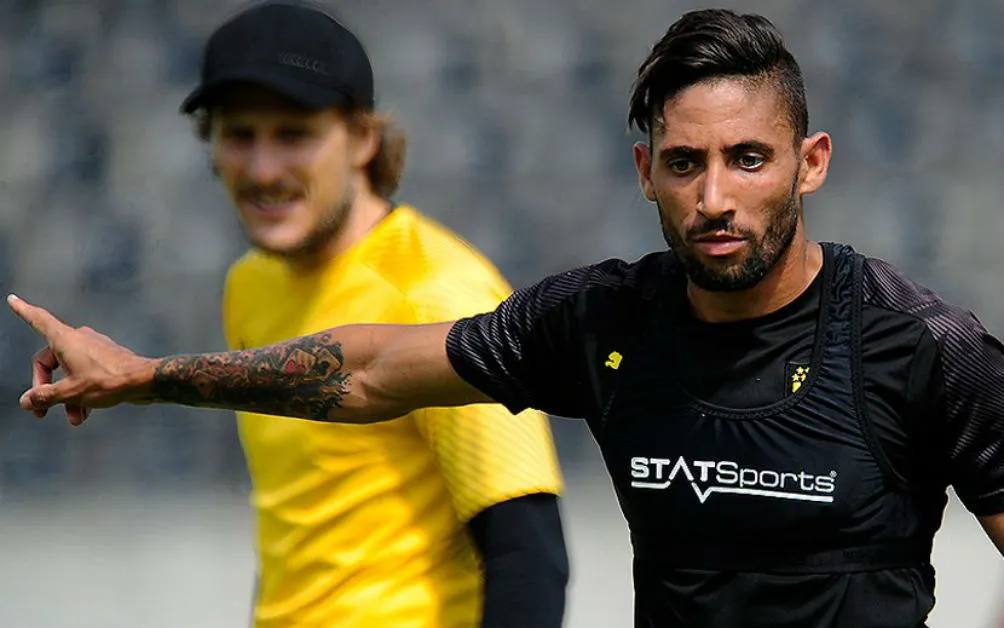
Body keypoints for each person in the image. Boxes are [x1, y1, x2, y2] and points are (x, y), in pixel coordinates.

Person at [9, 7, 1004, 628]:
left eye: (748, 159)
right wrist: (148, 376)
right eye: (683, 163)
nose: (713, 198)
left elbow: (527, 550)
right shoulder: (604, 320)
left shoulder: (923, 347)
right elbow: (366, 370)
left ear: (810, 163)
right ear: (643, 171)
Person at [26, 2, 571, 628]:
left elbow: (529, 557)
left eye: (294, 135)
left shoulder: (434, 293)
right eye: (239, 135)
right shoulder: (250, 283)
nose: (263, 170)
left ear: (363, 139)